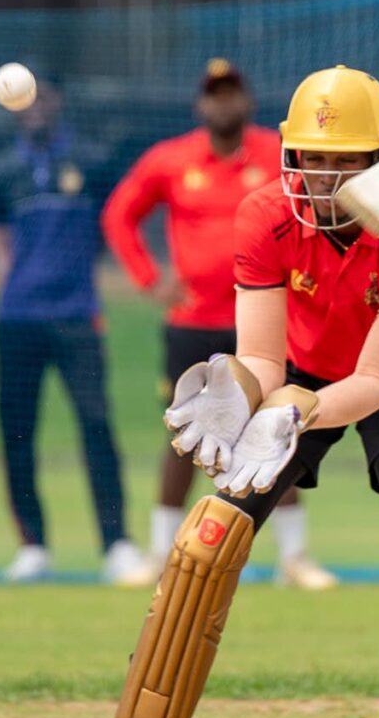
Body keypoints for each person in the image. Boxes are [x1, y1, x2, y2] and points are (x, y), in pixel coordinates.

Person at [87, 65, 379, 718]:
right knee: (211, 532)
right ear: (290, 152)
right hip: (296, 366)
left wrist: (297, 411)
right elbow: (262, 353)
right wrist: (238, 390)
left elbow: (376, 381)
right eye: (312, 157)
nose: (324, 177)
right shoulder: (262, 211)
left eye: (345, 160)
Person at [102, 59, 335, 589]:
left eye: (231, 94)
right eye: (213, 95)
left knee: (276, 429)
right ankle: (162, 552)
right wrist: (147, 277)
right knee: (184, 434)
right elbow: (119, 215)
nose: (222, 103)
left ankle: (293, 557)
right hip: (193, 322)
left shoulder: (276, 158)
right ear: (200, 105)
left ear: (247, 102)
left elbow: (311, 213)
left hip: (266, 320)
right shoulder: (170, 159)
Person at [0, 77, 150, 585]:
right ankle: (33, 545)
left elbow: (108, 228)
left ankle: (116, 543)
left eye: (44, 96)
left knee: (96, 426)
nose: (35, 107)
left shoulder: (94, 162)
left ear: (57, 101)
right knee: (18, 433)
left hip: (78, 316)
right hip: (17, 320)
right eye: (27, 99)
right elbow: (0, 245)